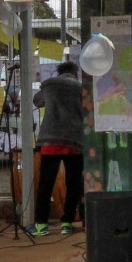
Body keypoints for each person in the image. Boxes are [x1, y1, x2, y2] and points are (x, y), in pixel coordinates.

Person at [30, 60, 86, 235]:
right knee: (73, 184)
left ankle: (41, 225)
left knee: (46, 184)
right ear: (75, 73)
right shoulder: (80, 88)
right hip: (73, 141)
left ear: (59, 73)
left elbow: (37, 101)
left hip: (50, 141)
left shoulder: (49, 86)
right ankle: (67, 223)